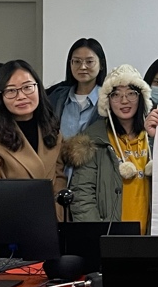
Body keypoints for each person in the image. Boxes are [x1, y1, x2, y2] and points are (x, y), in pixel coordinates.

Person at [0, 59, 68, 214]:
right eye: (11, 91)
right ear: (0, 97)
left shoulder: (52, 130)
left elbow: (59, 181)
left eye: (27, 87)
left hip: (51, 221)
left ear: (38, 88)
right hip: (11, 222)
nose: (21, 96)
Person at [62, 65, 153, 231]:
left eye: (131, 93)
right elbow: (82, 195)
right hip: (109, 237)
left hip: (151, 237)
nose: (124, 101)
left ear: (141, 97)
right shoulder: (93, 140)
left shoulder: (155, 138)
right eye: (116, 95)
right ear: (107, 101)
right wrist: (99, 235)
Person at [47, 38, 107, 139]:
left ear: (101, 64)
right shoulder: (55, 97)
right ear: (70, 63)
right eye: (77, 61)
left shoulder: (109, 101)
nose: (83, 67)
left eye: (89, 61)